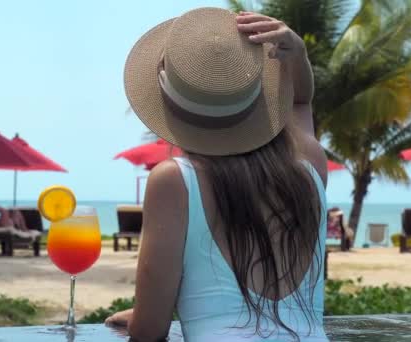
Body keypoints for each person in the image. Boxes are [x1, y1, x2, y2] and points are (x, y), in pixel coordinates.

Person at [105, 8, 328, 341]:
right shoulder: (310, 163)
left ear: (169, 107)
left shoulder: (175, 182)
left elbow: (150, 331)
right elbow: (301, 103)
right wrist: (298, 55)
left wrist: (141, 317)